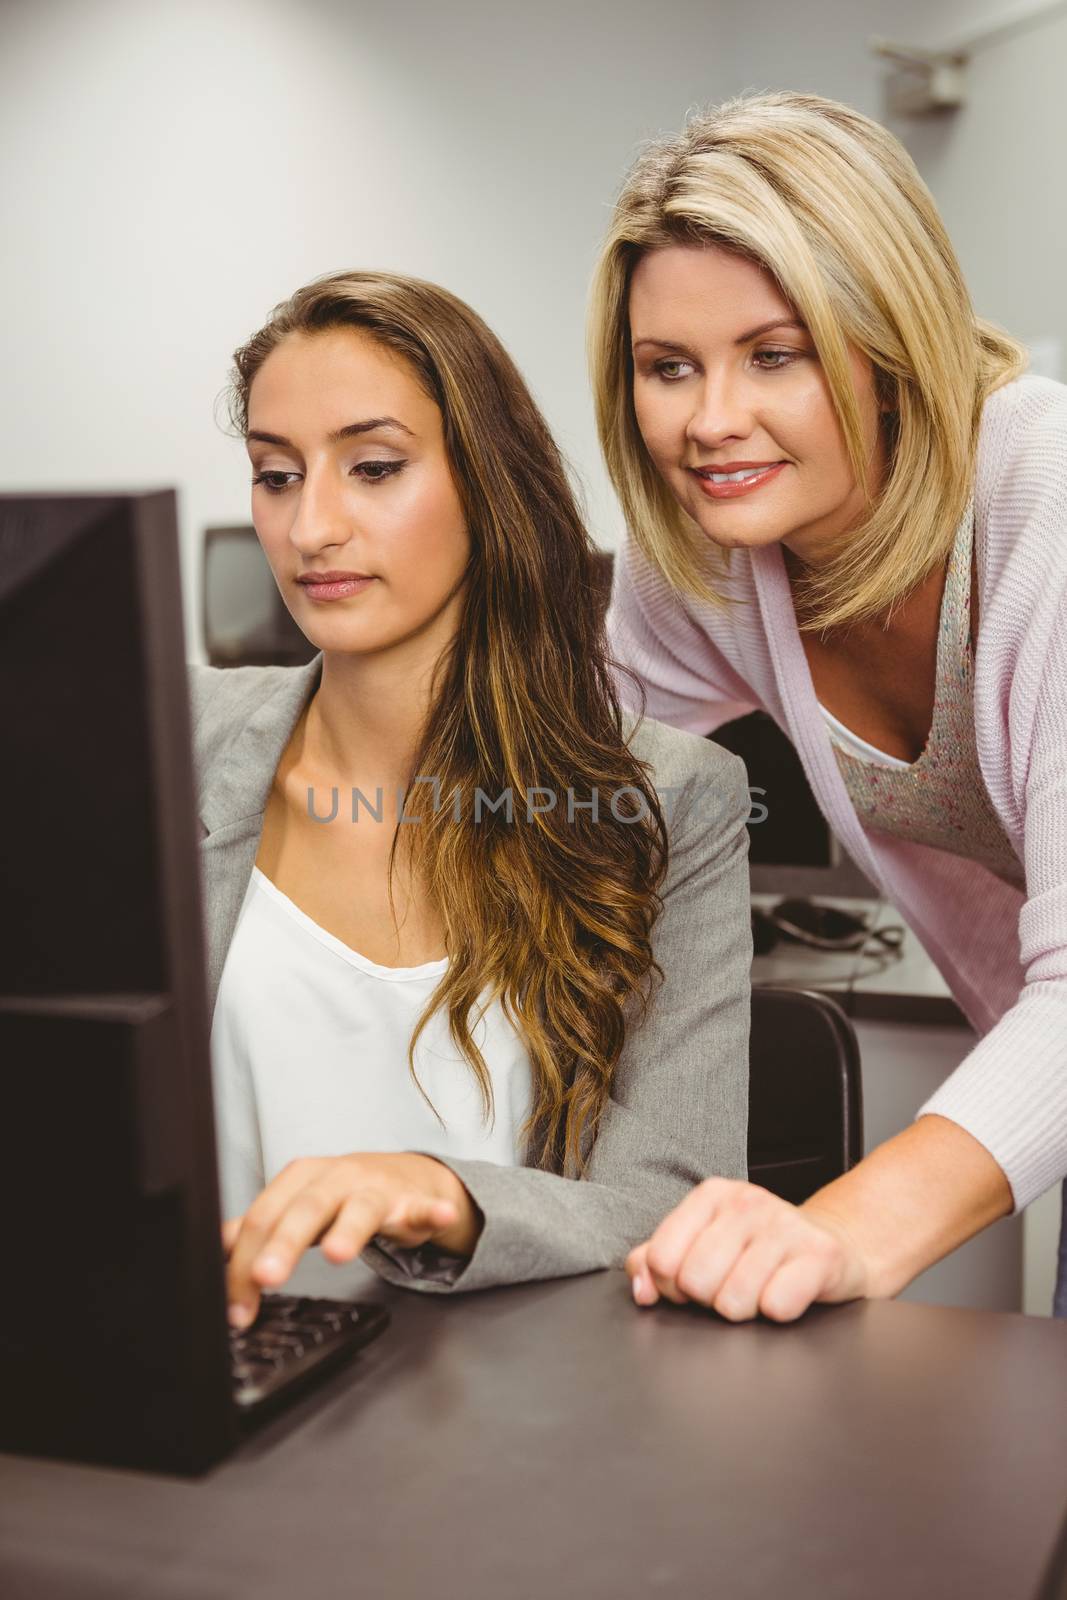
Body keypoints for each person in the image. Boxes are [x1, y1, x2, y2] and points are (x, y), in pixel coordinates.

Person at [190, 269, 752, 1329]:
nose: (309, 527)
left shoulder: (671, 802)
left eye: (373, 468)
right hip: (211, 1381)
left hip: (510, 1414)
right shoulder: (173, 743)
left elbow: (667, 1204)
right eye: (275, 474)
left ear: (484, 484)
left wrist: (446, 1193)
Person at [588, 90, 1067, 1321]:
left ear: (887, 342)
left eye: (773, 354)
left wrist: (835, 1232)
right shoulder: (711, 559)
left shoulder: (1042, 508)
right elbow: (573, 811)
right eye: (666, 368)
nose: (708, 422)